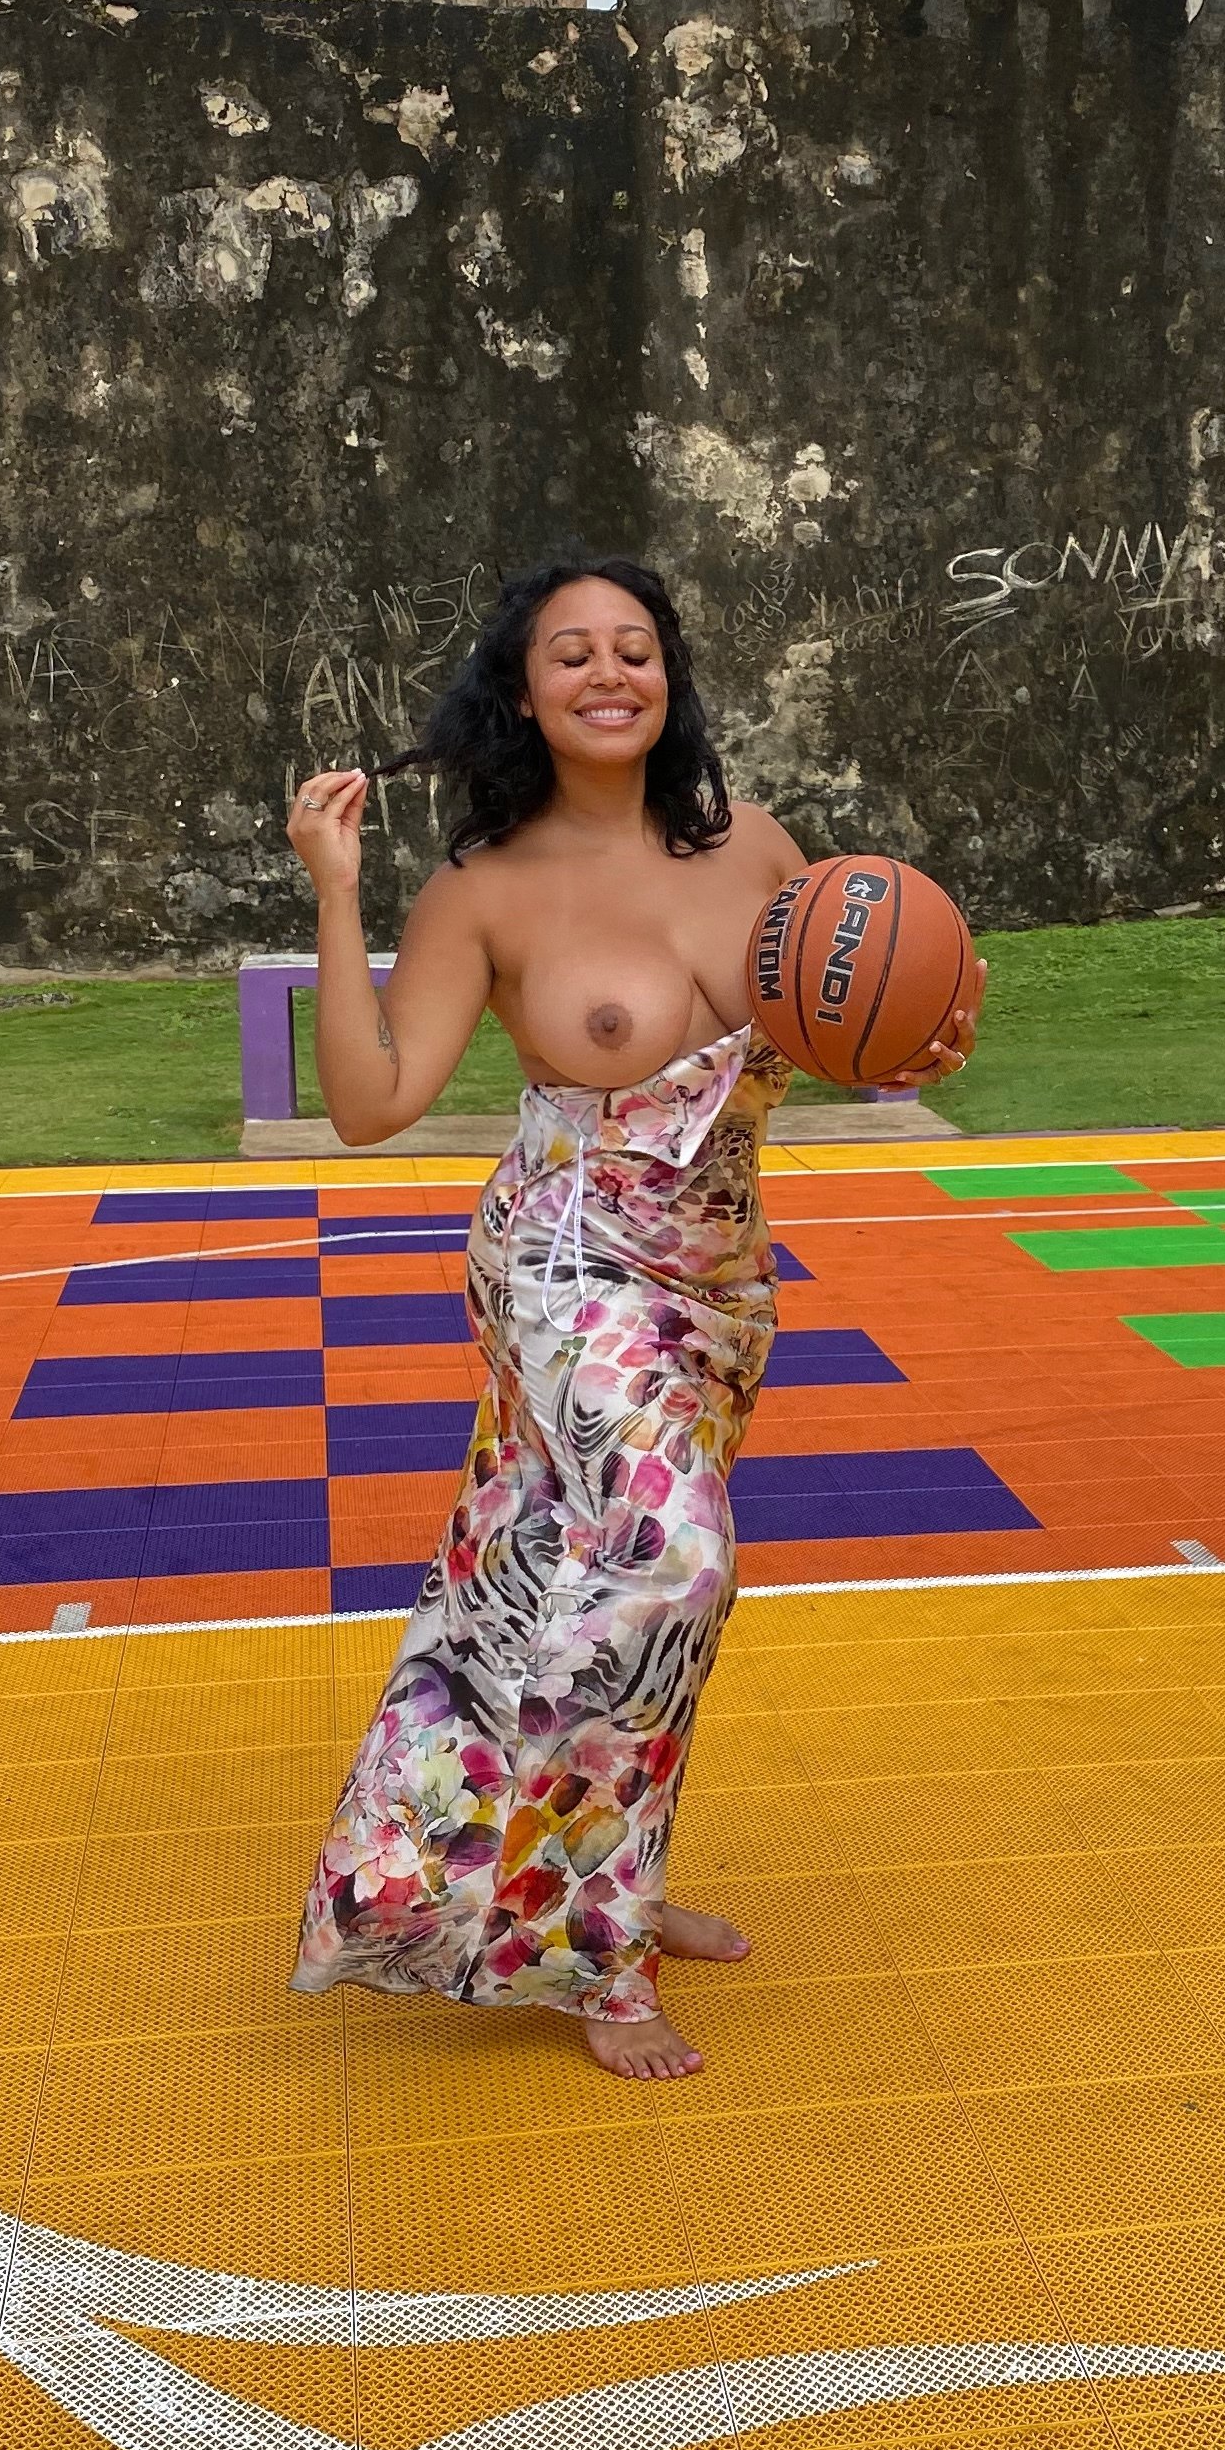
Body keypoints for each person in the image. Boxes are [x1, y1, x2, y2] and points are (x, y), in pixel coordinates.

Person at [284, 555, 982, 2081]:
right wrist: (336, 892)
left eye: (635, 648)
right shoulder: (484, 889)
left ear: (670, 675)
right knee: (668, 1559)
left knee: (600, 1600)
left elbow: (852, 1029)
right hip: (568, 1263)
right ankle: (593, 1952)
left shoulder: (761, 848)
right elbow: (368, 1104)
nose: (610, 673)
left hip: (720, 1279)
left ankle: (606, 1870)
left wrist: (921, 1041)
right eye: (572, 654)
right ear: (523, 693)